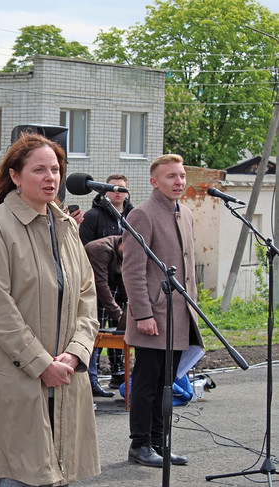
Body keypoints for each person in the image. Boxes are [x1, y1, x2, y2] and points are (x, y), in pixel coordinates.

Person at [0, 133, 101, 486]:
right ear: (16, 176)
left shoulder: (66, 227)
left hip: (65, 378)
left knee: (57, 472)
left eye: (55, 169)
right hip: (12, 378)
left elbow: (87, 296)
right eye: (39, 170)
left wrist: (76, 353)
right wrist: (41, 364)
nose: (50, 177)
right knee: (14, 474)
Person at [122, 154, 204, 468]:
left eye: (181, 176)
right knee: (147, 383)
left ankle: (158, 442)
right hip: (153, 317)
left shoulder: (186, 213)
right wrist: (143, 314)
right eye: (171, 176)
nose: (178, 182)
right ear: (155, 181)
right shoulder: (142, 214)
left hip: (179, 316)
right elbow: (133, 270)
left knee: (166, 385)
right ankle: (140, 444)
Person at [80, 174, 133, 394]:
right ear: (105, 191)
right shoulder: (94, 216)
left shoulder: (134, 216)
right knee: (98, 331)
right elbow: (86, 254)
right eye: (114, 188)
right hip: (97, 282)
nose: (118, 192)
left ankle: (119, 373)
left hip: (123, 283)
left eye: (122, 188)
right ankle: (91, 379)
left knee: (121, 328)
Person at [84, 236, 126, 398]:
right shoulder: (101, 249)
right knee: (94, 339)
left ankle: (117, 372)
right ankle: (91, 381)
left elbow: (121, 279)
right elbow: (99, 283)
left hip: (102, 294)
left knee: (114, 335)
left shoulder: (118, 251)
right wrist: (117, 311)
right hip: (91, 295)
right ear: (123, 243)